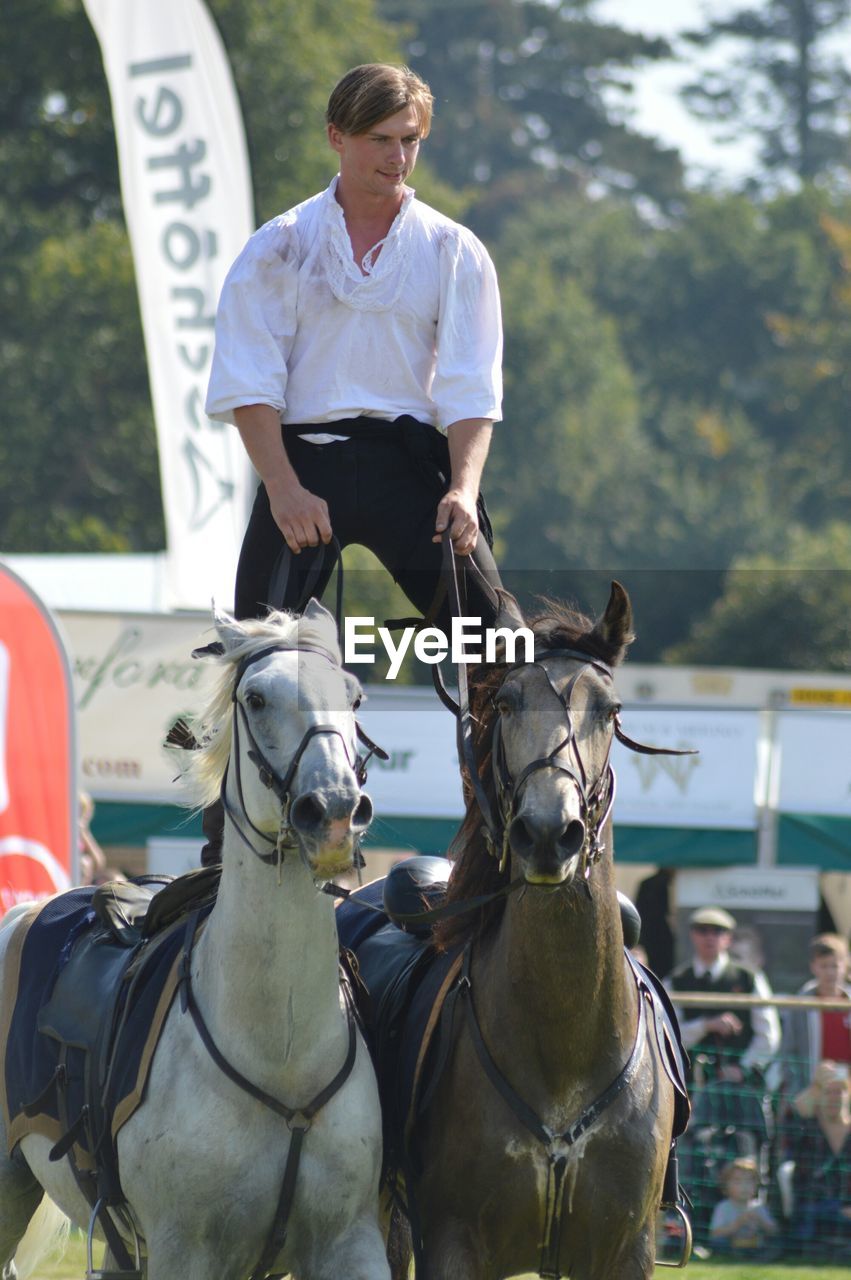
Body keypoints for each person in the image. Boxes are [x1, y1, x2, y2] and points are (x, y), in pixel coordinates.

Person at [205, 62, 504, 628]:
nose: (398, 157)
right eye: (381, 140)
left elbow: (471, 388)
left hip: (410, 467)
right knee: (251, 659)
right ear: (336, 137)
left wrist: (464, 491)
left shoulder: (453, 250)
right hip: (304, 469)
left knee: (500, 650)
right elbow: (249, 383)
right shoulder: (278, 246)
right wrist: (283, 490)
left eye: (410, 140)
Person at [666, 905, 781, 1086]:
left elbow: (768, 1035)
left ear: (728, 938)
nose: (710, 937)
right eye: (702, 930)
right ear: (692, 935)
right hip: (689, 1088)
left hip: (741, 1087)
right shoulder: (676, 981)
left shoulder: (750, 978)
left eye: (718, 931)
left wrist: (743, 1067)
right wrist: (706, 1025)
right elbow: (668, 1036)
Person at [781, 1060, 851, 1259]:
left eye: (840, 1091)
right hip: (812, 1211)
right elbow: (790, 1115)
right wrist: (815, 1085)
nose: (833, 1098)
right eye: (827, 1092)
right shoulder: (806, 1130)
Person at [783, 934, 851, 1100]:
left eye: (835, 966)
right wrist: (795, 1087)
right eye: (824, 966)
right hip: (813, 1089)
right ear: (813, 967)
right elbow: (789, 1050)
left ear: (845, 965)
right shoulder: (802, 1003)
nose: (830, 972)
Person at [708, 1156, 779, 1259]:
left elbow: (774, 1231)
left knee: (773, 1244)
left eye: (749, 1182)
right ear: (726, 1185)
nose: (744, 1186)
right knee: (719, 1243)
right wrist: (737, 1224)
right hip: (732, 1245)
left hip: (755, 1244)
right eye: (738, 1181)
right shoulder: (723, 1207)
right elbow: (715, 1233)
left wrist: (760, 1221)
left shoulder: (758, 1206)